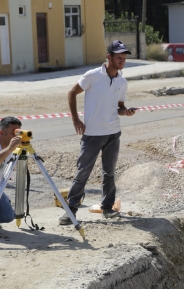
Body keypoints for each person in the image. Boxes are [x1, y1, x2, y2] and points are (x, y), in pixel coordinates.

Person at [59, 40, 136, 225]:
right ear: (109, 57)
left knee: (109, 173)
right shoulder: (92, 76)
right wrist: (76, 119)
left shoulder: (122, 82)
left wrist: (126, 112)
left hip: (113, 133)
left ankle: (107, 208)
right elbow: (71, 93)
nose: (122, 61)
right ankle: (71, 210)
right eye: (119, 58)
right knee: (83, 172)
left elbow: (119, 107)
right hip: (92, 134)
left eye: (124, 58)